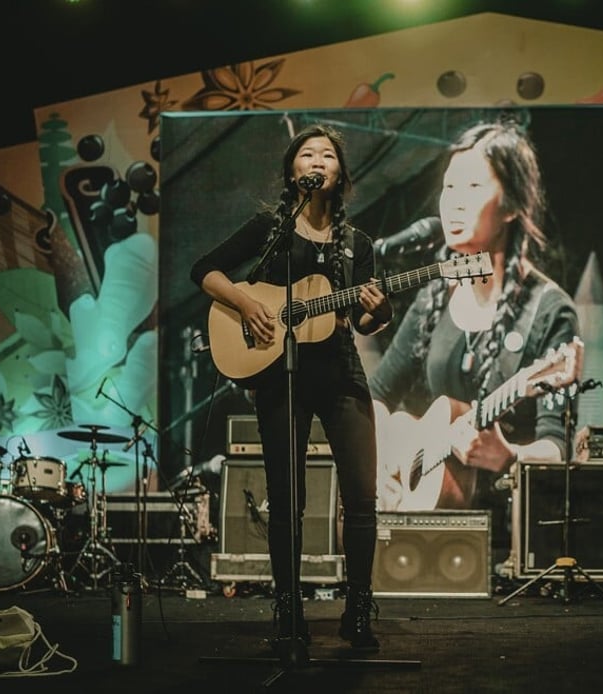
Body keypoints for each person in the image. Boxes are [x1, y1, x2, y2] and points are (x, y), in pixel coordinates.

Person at [190, 123, 391, 652]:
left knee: (362, 496)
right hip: (284, 376)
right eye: (307, 154)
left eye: (328, 154)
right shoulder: (269, 228)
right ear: (292, 172)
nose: (318, 160)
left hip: (341, 373)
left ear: (340, 174)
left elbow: (364, 321)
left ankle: (358, 607)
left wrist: (380, 311)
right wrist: (247, 303)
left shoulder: (357, 245)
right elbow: (204, 271)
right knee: (287, 498)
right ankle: (288, 609)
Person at [369, 119, 582, 533]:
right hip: (428, 533)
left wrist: (509, 456)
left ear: (512, 206)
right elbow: (375, 396)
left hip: (510, 536)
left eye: (473, 188)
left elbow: (558, 447)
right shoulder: (434, 296)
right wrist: (388, 456)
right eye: (449, 188)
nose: (454, 203)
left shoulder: (549, 311)